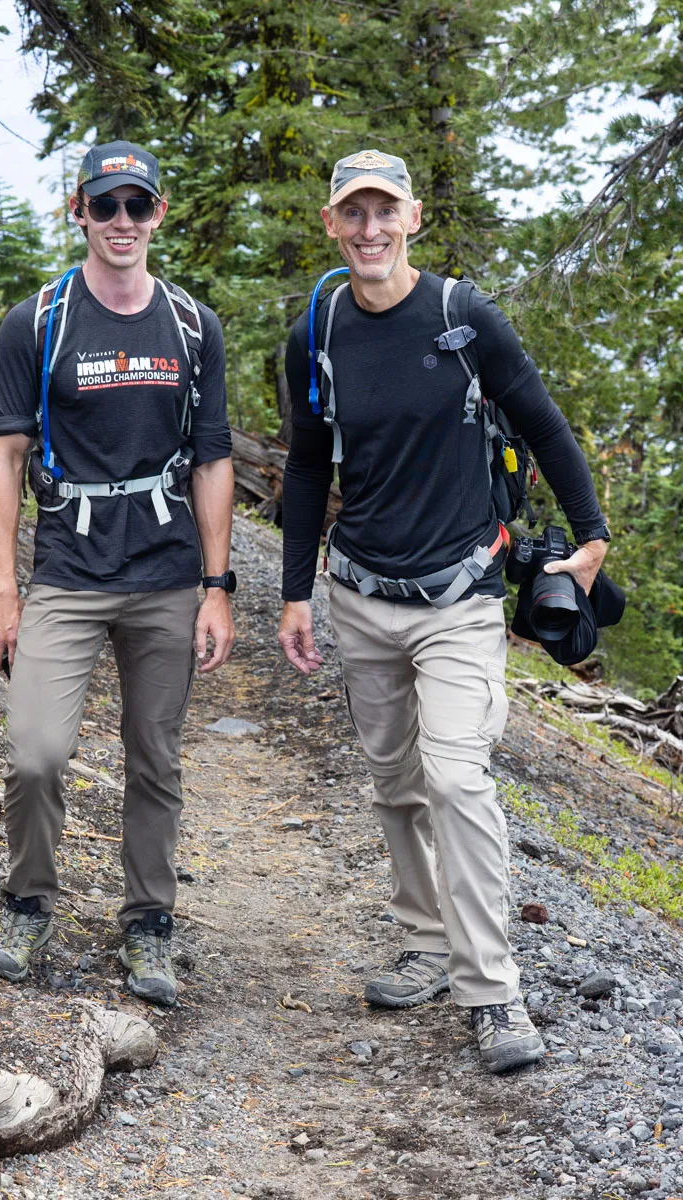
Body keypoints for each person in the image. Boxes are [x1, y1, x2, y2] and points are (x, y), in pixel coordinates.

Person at [278, 149, 610, 1073]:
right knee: (394, 783)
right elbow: (309, 467)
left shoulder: (464, 318)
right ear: (332, 224)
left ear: (413, 219)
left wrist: (593, 537)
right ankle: (426, 941)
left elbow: (541, 420)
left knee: (457, 779)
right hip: (360, 596)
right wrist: (295, 591)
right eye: (354, 214)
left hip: (461, 598)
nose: (370, 230)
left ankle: (493, 991)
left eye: (386, 212)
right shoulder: (315, 332)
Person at [0, 141, 235, 1005]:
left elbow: (210, 458)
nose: (121, 222)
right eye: (105, 205)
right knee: (38, 752)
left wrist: (217, 586)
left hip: (165, 577)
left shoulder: (193, 327)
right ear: (80, 212)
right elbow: (5, 456)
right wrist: (4, 587)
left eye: (137, 205)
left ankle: (149, 925)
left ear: (160, 212)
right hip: (68, 575)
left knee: (154, 755)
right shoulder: (40, 321)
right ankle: (28, 902)